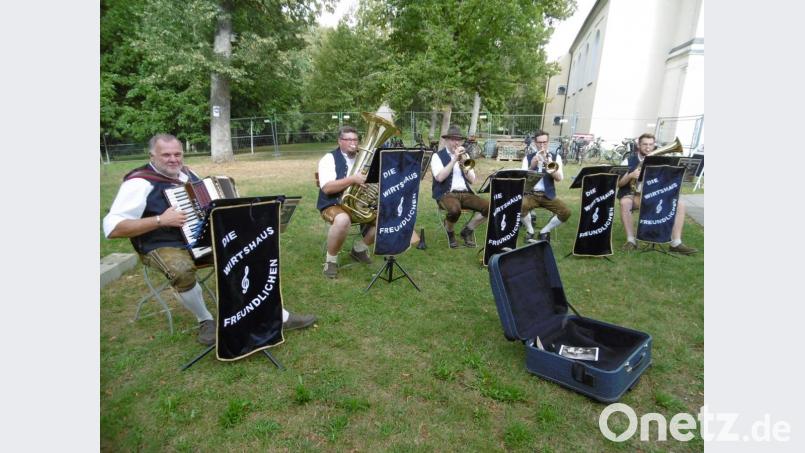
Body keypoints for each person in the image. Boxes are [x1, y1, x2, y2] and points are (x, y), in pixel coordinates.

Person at [103, 134, 317, 345]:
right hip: (160, 243)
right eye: (166, 155)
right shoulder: (139, 183)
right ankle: (205, 319)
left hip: (200, 238)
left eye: (178, 154)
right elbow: (113, 229)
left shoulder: (187, 174)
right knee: (181, 269)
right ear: (152, 156)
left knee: (251, 250)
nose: (173, 159)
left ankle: (278, 314)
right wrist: (160, 220)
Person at [616, 133, 697, 254]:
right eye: (644, 144)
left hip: (657, 195)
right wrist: (631, 176)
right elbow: (619, 183)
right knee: (624, 202)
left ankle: (676, 243)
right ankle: (631, 241)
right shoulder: (628, 161)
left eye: (651, 144)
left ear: (654, 145)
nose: (648, 148)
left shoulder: (663, 160)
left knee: (680, 204)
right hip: (638, 195)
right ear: (638, 145)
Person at [317, 126, 376, 278]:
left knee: (387, 215)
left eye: (355, 139)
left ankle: (359, 249)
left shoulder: (365, 158)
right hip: (333, 204)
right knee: (343, 219)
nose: (353, 143)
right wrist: (352, 179)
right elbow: (327, 188)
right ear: (340, 141)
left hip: (358, 204)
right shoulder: (329, 159)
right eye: (348, 139)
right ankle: (330, 261)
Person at [430, 125, 489, 248]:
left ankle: (467, 230)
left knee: (489, 207)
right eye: (452, 139)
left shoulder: (465, 156)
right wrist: (453, 160)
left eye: (458, 140)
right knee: (454, 210)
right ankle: (450, 231)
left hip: (465, 193)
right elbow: (440, 178)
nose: (456, 142)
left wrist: (464, 165)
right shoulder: (437, 156)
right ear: (446, 140)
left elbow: (472, 180)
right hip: (446, 193)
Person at [519, 130, 571, 243]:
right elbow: (521, 180)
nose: (542, 145)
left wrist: (550, 167)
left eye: (545, 142)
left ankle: (544, 231)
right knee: (519, 206)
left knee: (565, 211)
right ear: (534, 142)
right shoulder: (527, 158)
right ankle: (530, 230)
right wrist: (531, 166)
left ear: (548, 142)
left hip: (548, 194)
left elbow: (559, 178)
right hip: (531, 194)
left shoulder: (556, 157)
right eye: (539, 142)